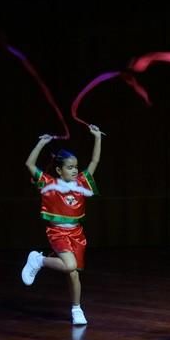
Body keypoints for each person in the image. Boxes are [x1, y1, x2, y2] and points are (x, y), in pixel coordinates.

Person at [20, 125, 103, 326]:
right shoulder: (49, 183)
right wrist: (42, 142)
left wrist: (98, 137)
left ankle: (76, 309)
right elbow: (29, 164)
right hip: (57, 233)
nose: (74, 170)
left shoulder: (82, 182)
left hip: (77, 233)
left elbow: (95, 161)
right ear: (59, 169)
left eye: (75, 167)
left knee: (73, 273)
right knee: (70, 265)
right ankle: (39, 259)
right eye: (69, 167)